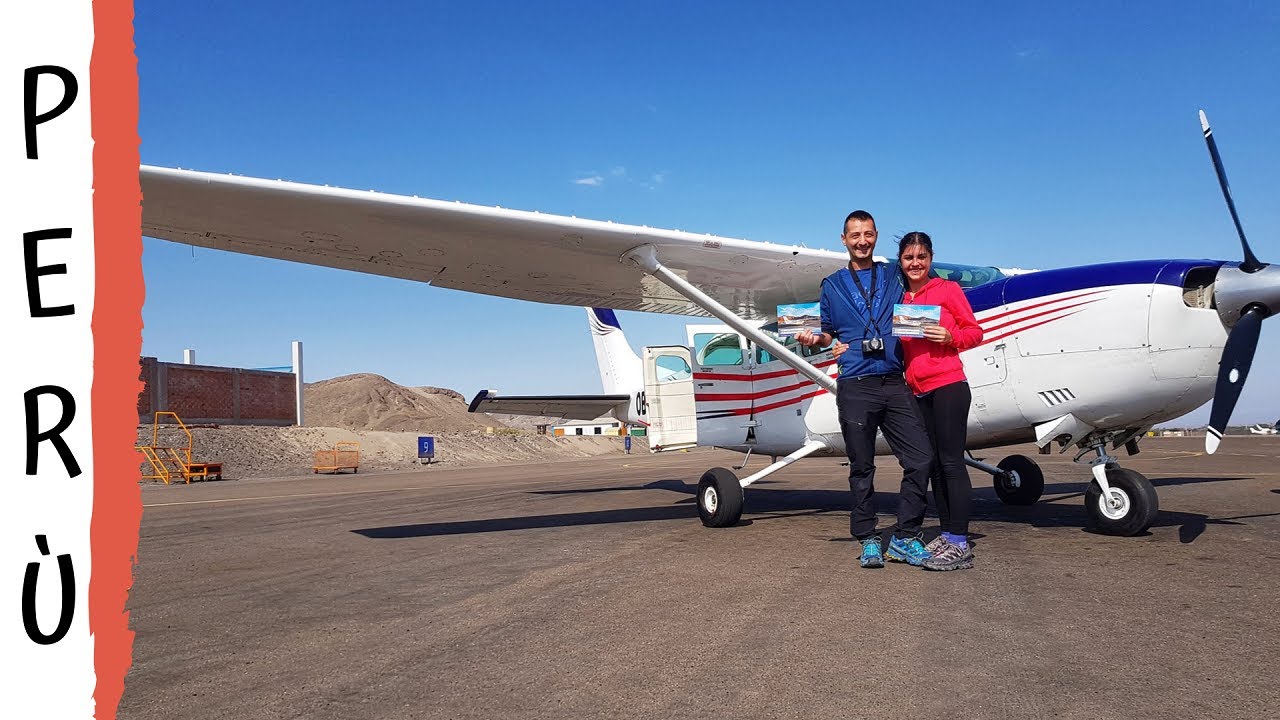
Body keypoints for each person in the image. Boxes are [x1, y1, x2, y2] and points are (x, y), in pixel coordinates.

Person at [834, 231, 984, 570]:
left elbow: (974, 332)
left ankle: (959, 541)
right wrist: (841, 344)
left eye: (921, 257)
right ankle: (947, 532)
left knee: (951, 463)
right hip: (915, 390)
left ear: (930, 259)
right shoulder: (897, 296)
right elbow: (867, 329)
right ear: (901, 262)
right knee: (930, 464)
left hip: (947, 384)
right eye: (908, 258)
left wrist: (951, 336)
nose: (915, 263)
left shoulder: (947, 290)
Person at [796, 211, 934, 569]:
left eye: (868, 234)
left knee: (920, 458)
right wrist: (816, 340)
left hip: (892, 379)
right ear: (843, 239)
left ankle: (905, 536)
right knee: (862, 466)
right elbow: (825, 332)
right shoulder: (832, 285)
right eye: (854, 235)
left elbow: (926, 286)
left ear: (875, 236)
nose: (862, 241)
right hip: (855, 384)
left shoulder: (892, 273)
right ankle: (869, 538)